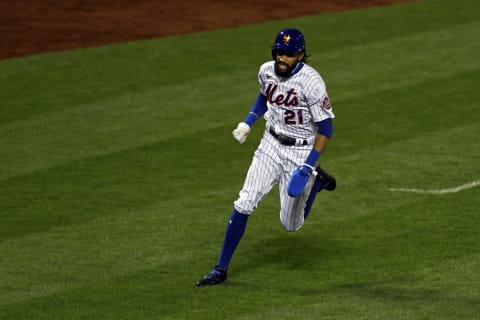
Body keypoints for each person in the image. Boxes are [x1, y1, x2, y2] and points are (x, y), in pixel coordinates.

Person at [196, 28, 336, 286]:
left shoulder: (312, 83)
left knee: (290, 225)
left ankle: (316, 183)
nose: (283, 58)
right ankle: (220, 268)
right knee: (244, 202)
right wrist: (248, 122)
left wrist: (307, 164)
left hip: (300, 151)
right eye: (280, 53)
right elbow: (264, 95)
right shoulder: (266, 71)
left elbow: (326, 129)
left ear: (301, 55)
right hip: (270, 144)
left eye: (289, 55)